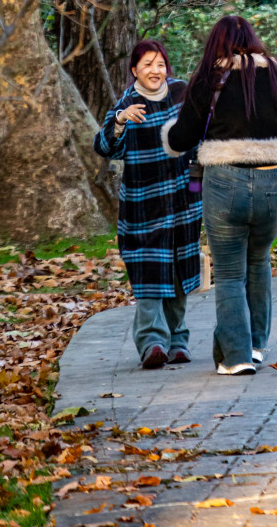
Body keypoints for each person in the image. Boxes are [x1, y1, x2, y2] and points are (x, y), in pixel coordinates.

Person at [161, 15, 277, 376]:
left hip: (224, 183)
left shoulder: (209, 78)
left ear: (216, 42)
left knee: (229, 273)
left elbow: (182, 138)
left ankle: (236, 357)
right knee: (259, 260)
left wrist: (168, 135)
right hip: (275, 183)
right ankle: (258, 345)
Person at [94, 40, 202, 369]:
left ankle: (178, 340)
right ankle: (153, 343)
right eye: (147, 65)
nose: (155, 71)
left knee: (179, 270)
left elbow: (204, 130)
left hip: (184, 201)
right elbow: (104, 147)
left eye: (159, 64)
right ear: (134, 71)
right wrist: (120, 121)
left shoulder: (183, 93)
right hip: (144, 206)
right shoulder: (127, 104)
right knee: (148, 272)